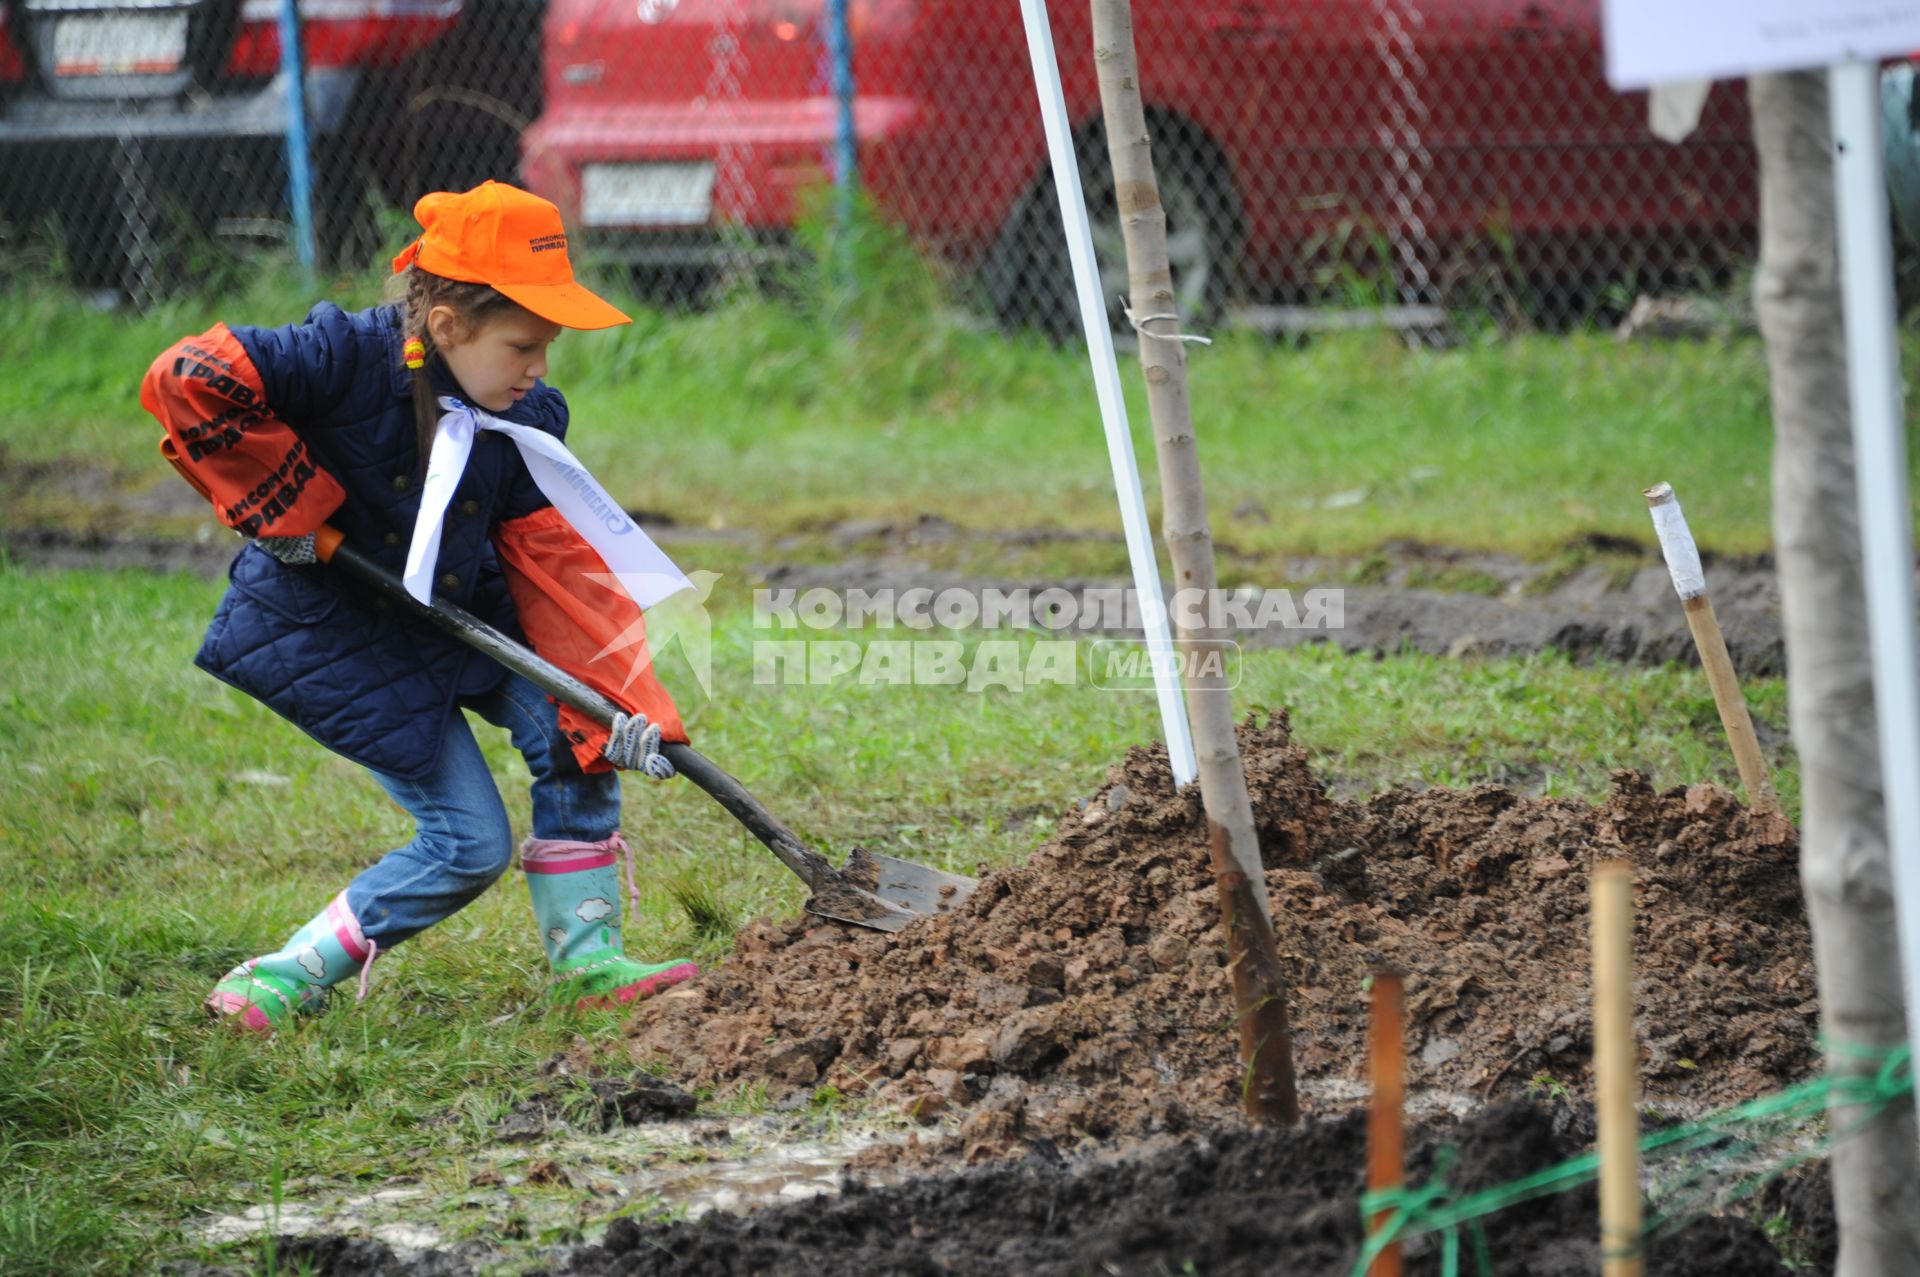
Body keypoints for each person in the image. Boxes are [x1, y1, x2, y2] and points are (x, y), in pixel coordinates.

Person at [140, 181, 699, 1032]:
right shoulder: (338, 358)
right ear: (447, 326)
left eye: (547, 346)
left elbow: (556, 567)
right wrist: (290, 507)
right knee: (468, 844)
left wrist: (622, 699)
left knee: (573, 725)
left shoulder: (530, 414)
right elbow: (190, 377)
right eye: (523, 345)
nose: (539, 367)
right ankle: (283, 977)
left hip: (456, 618)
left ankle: (588, 962)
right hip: (344, 637)